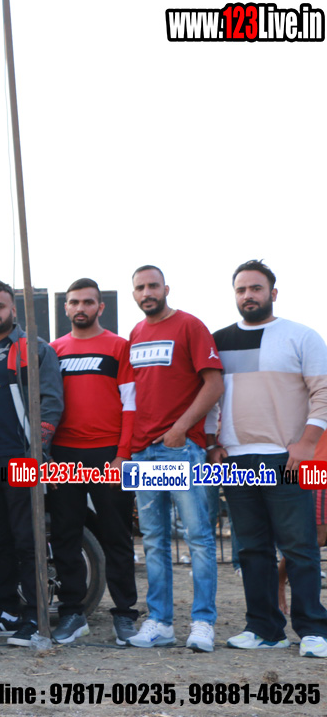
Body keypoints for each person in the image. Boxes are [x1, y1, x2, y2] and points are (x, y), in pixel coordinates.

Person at [206, 260, 327, 658]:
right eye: (241, 290)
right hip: (236, 459)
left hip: (286, 458)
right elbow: (210, 396)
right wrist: (212, 442)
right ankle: (264, 629)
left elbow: (323, 392)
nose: (248, 296)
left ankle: (314, 630)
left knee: (300, 546)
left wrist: (307, 443)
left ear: (273, 293)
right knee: (252, 550)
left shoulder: (301, 336)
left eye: (256, 288)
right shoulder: (218, 340)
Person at [126, 265, 221, 652]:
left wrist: (180, 429)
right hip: (144, 451)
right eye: (140, 287)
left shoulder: (189, 326)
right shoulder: (135, 333)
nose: (147, 292)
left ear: (166, 288)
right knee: (153, 541)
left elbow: (214, 383)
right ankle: (161, 622)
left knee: (198, 538)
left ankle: (203, 622)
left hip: (180, 448)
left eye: (153, 285)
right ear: (133, 293)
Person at [0, 280, 63, 647]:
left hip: (21, 458)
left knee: (27, 539)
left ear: (13, 310)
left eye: (0, 306)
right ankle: (7, 612)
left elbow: (51, 402)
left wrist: (38, 449)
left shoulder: (35, 349)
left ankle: (36, 616)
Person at [48, 278, 139, 645]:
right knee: (65, 535)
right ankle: (72, 613)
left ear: (100, 307)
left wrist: (123, 455)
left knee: (117, 537)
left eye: (88, 302)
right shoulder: (53, 350)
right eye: (74, 302)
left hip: (108, 455)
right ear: (66, 308)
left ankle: (125, 614)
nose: (80, 307)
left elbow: (131, 404)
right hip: (64, 454)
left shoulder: (119, 347)